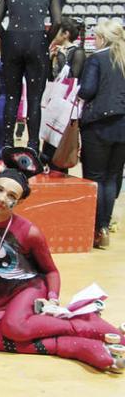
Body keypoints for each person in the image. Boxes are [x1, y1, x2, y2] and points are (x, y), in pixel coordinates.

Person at [0, 148, 124, 372]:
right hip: (2, 293)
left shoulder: (29, 232)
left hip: (30, 287)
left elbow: (51, 272)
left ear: (19, 202)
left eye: (11, 196)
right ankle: (76, 347)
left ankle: (89, 326)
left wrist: (53, 300)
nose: (1, 198)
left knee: (14, 327)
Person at [0, 0, 62, 152]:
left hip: (12, 41)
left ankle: (7, 143)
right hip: (37, 40)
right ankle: (32, 145)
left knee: (12, 96)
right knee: (33, 99)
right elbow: (57, 21)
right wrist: (45, 41)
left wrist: (6, 39)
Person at [78, 20, 125, 249]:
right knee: (111, 177)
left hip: (99, 124)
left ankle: (96, 227)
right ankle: (105, 226)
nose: (93, 40)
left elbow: (87, 90)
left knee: (95, 178)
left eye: (95, 36)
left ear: (103, 38)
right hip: (123, 125)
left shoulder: (97, 59)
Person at [42, 17, 85, 172]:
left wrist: (60, 58)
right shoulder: (57, 51)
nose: (54, 35)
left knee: (58, 151)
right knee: (47, 150)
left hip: (66, 108)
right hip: (54, 103)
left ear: (66, 34)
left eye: (57, 32)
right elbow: (50, 77)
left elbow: (73, 78)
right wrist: (49, 59)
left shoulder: (77, 52)